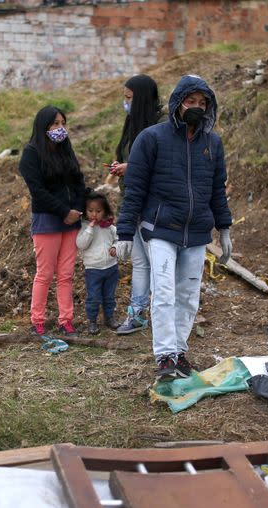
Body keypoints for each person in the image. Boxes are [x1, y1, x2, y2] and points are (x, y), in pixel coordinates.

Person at [115, 74, 233, 381]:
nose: (196, 107)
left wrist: (225, 229)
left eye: (202, 102)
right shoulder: (152, 138)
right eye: (190, 101)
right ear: (177, 104)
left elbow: (217, 190)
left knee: (188, 294)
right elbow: (135, 187)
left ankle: (179, 351)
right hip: (159, 227)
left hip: (196, 232)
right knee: (164, 291)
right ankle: (165, 356)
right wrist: (125, 232)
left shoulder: (213, 143)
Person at [19, 105, 86, 337]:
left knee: (66, 274)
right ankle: (37, 320)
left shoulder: (65, 149)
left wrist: (77, 208)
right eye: (55, 124)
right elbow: (38, 191)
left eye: (63, 123)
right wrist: (64, 211)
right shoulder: (31, 154)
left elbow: (78, 181)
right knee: (45, 274)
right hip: (48, 220)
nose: (60, 128)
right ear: (43, 126)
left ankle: (66, 320)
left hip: (71, 221)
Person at [110, 74, 164, 336]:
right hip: (134, 204)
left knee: (160, 265)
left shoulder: (163, 126)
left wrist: (131, 168)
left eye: (129, 98)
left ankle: (163, 315)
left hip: (157, 208)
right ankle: (138, 313)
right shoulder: (134, 124)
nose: (125, 103)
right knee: (140, 263)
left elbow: (164, 166)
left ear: (141, 98)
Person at [76, 190, 119, 335]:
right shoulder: (83, 226)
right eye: (90, 211)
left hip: (111, 268)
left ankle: (109, 317)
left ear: (105, 211)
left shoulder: (109, 226)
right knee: (94, 297)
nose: (94, 214)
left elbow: (118, 239)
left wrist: (115, 247)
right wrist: (89, 229)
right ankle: (92, 321)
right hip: (93, 269)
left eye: (98, 211)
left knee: (109, 295)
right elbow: (81, 244)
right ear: (85, 211)